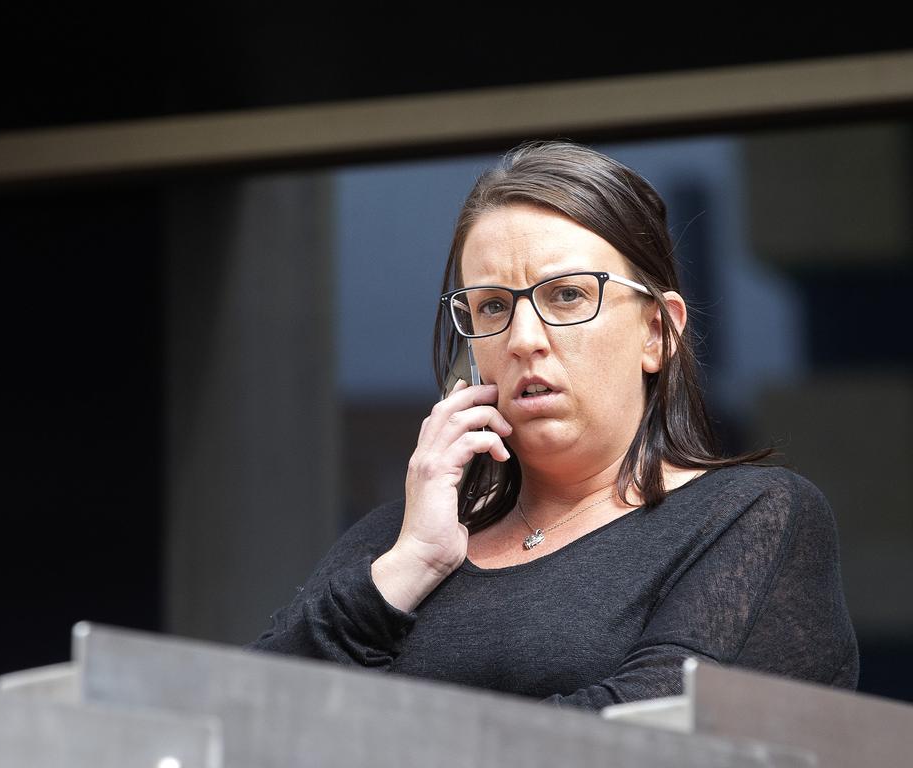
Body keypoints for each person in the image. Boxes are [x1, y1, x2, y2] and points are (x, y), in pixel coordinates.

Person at [246, 140, 859, 710]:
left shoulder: (749, 517)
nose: (523, 339)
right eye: (491, 306)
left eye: (566, 295)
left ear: (658, 331)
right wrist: (414, 563)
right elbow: (243, 713)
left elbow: (647, 728)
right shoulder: (400, 537)